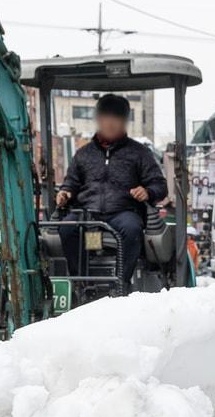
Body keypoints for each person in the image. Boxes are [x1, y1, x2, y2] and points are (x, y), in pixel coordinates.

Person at [55, 94, 167, 289]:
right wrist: (65, 193)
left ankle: (121, 284)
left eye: (117, 118)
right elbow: (71, 183)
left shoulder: (139, 153)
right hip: (88, 215)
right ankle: (79, 282)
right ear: (98, 119)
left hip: (122, 213)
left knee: (132, 229)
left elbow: (160, 185)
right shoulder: (83, 154)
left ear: (124, 122)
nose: (111, 123)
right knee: (67, 227)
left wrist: (147, 191)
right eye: (106, 117)